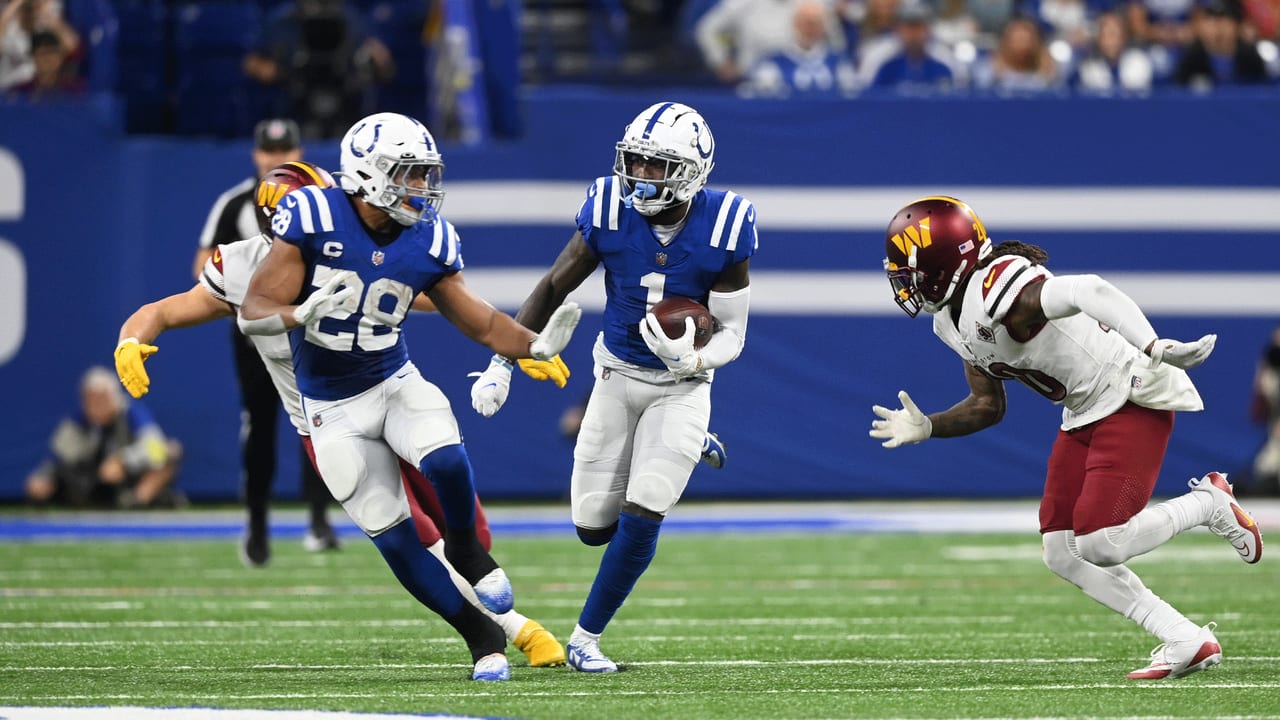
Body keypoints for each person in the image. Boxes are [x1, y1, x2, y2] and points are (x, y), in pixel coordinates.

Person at [115, 160, 567, 669]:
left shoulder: (357, 244)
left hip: (386, 390)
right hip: (324, 419)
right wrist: (132, 338)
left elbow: (438, 298)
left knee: (466, 521)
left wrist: (517, 342)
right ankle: (512, 631)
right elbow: (165, 310)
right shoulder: (246, 269)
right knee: (413, 535)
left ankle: (505, 616)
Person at [237, 112, 582, 681]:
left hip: (391, 380)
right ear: (369, 175)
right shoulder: (313, 217)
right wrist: (298, 313)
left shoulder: (429, 238)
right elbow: (253, 310)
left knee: (445, 454)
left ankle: (470, 552)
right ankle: (480, 637)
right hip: (329, 409)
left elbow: (476, 318)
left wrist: (530, 345)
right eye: (410, 174)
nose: (421, 187)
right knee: (396, 539)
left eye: (425, 175)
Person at [869, 196, 1263, 680]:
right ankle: (1184, 637)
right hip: (1083, 412)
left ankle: (1207, 503)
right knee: (1061, 551)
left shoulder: (999, 288)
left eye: (911, 269)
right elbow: (986, 404)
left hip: (1127, 391)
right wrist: (930, 425)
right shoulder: (948, 320)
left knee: (1101, 542)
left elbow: (1090, 289)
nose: (904, 282)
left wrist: (1152, 344)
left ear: (944, 262)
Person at [469, 101, 755, 672]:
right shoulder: (606, 207)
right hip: (615, 376)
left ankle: (586, 639)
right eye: (637, 162)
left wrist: (693, 358)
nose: (641, 176)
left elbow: (733, 333)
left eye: (657, 166)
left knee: (645, 507)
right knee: (593, 527)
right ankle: (690, 443)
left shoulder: (725, 223)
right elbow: (552, 285)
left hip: (682, 386)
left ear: (693, 170)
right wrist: (504, 360)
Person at [193, 118, 338, 568]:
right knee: (261, 424)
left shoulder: (327, 202)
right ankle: (257, 524)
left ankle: (319, 519)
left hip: (313, 328)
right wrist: (250, 283)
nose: (277, 159)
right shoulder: (235, 203)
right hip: (259, 333)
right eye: (269, 151)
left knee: (322, 420)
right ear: (256, 155)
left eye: (285, 149)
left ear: (299, 150)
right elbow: (204, 268)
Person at [27, 366, 183, 509]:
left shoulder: (132, 413)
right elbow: (56, 457)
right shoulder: (79, 420)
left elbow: (156, 446)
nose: (97, 406)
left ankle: (136, 501)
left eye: (103, 399)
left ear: (114, 396)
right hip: (93, 481)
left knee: (170, 454)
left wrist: (124, 461)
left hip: (129, 478)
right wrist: (43, 478)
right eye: (91, 400)